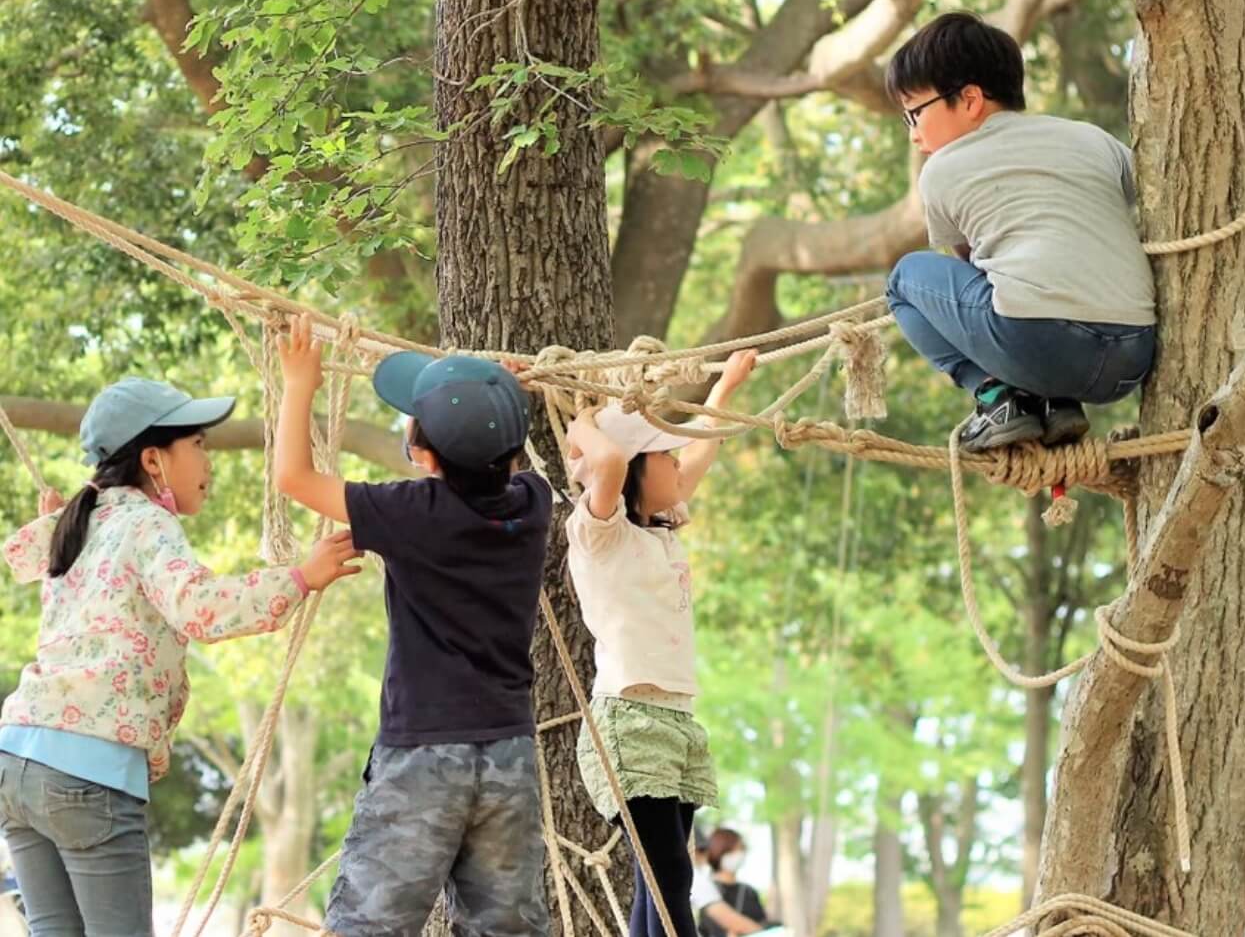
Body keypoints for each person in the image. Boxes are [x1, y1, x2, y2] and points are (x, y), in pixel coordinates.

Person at [0, 377, 360, 935]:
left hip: (17, 759)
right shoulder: (145, 523)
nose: (207, 460)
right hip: (86, 772)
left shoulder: (78, 524)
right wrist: (300, 577)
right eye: (197, 443)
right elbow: (202, 607)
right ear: (153, 460)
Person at [274, 315, 554, 937]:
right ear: (511, 450)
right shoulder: (534, 506)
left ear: (420, 451)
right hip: (508, 754)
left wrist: (300, 383)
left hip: (423, 755)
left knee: (371, 924)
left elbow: (293, 477)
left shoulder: (411, 513)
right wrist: (501, 395)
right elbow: (503, 459)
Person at [883, 11, 1157, 451]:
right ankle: (1056, 404)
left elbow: (975, 271)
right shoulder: (1092, 139)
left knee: (903, 281)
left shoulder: (940, 171)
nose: (913, 133)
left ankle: (998, 399)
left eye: (914, 113)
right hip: (1132, 356)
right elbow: (1142, 194)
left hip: (1038, 345)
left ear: (970, 99)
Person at [565, 349, 757, 937]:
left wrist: (724, 388)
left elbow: (702, 448)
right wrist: (582, 426)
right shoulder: (602, 535)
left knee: (667, 877)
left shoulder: (663, 529)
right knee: (668, 872)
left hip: (676, 721)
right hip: (628, 720)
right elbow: (610, 464)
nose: (677, 467)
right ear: (635, 472)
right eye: (664, 459)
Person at [700, 828, 773, 937]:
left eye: (741, 849)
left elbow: (763, 925)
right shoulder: (704, 889)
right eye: (733, 850)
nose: (739, 853)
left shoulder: (749, 892)